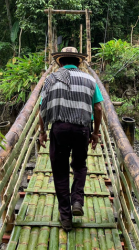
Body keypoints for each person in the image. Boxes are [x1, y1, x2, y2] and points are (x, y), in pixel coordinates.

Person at [38, 47, 103, 231]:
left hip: (58, 129)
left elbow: (41, 109)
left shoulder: (50, 79)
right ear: (79, 62)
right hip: (82, 129)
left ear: (59, 62)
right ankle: (77, 201)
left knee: (60, 172)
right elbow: (98, 108)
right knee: (80, 166)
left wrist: (42, 132)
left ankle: (65, 218)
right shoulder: (90, 80)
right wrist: (95, 133)